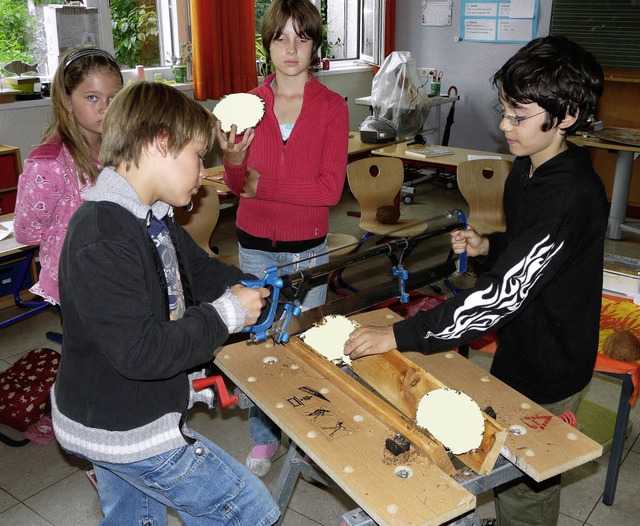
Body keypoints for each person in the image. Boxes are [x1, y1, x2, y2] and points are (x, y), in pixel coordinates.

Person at [344, 35, 606, 526]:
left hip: (553, 360)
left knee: (528, 483)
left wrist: (398, 334)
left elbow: (503, 294)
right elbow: (529, 253)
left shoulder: (571, 192)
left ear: (567, 115)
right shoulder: (526, 169)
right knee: (502, 453)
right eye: (504, 110)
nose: (505, 126)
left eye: (518, 116)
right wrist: (492, 250)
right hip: (522, 342)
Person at [51, 81, 280, 526]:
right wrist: (228, 314)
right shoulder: (103, 234)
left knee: (133, 519)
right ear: (160, 143)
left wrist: (265, 290)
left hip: (123, 412)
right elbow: (142, 352)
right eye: (198, 156)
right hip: (121, 427)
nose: (202, 172)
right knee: (249, 511)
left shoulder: (151, 216)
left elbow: (204, 273)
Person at [216, 0, 349, 477]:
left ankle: (307, 433)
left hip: (307, 248)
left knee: (303, 341)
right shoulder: (247, 104)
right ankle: (263, 437)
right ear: (267, 44)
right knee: (260, 340)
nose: (291, 49)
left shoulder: (333, 107)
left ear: (315, 44)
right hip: (253, 242)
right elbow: (235, 186)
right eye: (280, 38)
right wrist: (233, 161)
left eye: (302, 37)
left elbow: (329, 190)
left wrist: (262, 184)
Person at [13, 46, 123, 306]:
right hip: (76, 282)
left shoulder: (123, 150)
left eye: (113, 98)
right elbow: (26, 231)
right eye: (92, 98)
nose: (105, 108)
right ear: (67, 101)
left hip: (117, 271)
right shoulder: (49, 164)